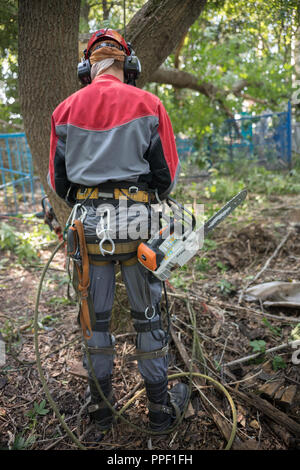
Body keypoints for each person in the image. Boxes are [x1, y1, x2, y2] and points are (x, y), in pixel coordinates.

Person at [48, 28, 189, 435]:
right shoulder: (149, 103)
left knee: (96, 321)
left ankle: (101, 411)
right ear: (129, 64)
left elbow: (59, 183)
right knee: (147, 319)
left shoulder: (64, 110)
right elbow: (166, 178)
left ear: (85, 68)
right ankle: (161, 411)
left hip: (88, 227)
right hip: (137, 222)